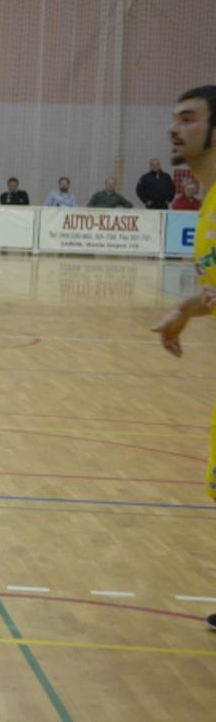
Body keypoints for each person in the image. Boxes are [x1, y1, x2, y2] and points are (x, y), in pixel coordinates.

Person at [148, 85, 216, 633]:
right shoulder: (207, 203)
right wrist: (185, 312)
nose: (175, 128)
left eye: (189, 119)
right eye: (174, 118)